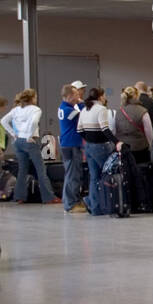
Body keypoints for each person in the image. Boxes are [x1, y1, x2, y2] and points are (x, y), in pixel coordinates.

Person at [2, 89, 57, 204]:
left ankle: (19, 196)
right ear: (32, 99)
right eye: (35, 97)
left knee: (22, 170)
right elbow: (33, 122)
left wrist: (13, 133)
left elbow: (3, 121)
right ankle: (49, 198)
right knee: (41, 169)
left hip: (17, 142)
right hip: (29, 141)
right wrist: (30, 135)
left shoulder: (16, 110)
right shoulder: (36, 109)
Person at [77, 89, 116, 215]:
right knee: (107, 174)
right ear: (100, 97)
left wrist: (89, 140)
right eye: (104, 95)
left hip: (88, 147)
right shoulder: (101, 109)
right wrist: (117, 142)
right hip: (101, 146)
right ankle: (109, 203)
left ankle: (95, 207)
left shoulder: (84, 109)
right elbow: (105, 129)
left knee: (94, 177)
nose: (105, 98)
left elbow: (80, 130)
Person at [57, 84, 87, 213]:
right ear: (69, 96)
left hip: (67, 144)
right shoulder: (70, 111)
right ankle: (71, 203)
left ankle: (68, 200)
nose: (78, 97)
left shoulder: (63, 108)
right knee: (73, 174)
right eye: (75, 95)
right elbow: (84, 114)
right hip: (72, 144)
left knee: (70, 173)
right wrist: (81, 103)